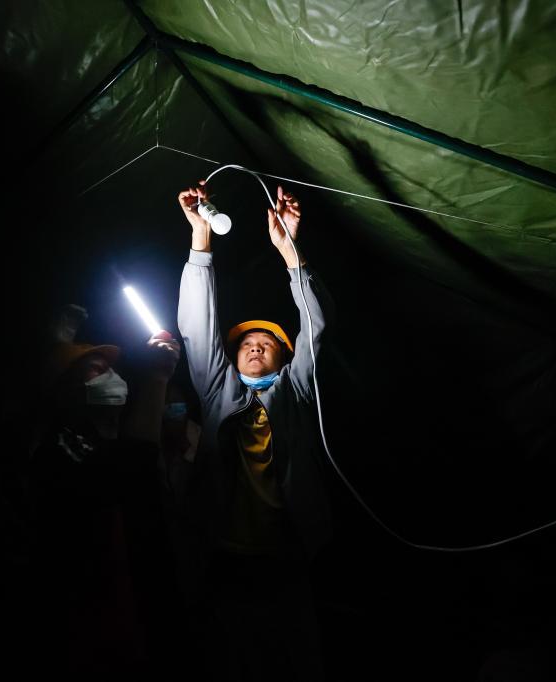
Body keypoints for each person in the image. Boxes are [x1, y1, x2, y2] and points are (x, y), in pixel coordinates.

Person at [176, 181, 333, 681]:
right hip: (223, 551)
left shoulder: (296, 390)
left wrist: (290, 251)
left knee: (296, 657)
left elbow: (316, 327)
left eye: (268, 342)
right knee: (230, 657)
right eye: (246, 343)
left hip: (288, 552)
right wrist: (201, 238)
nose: (256, 346)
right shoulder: (217, 389)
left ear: (284, 357)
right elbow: (196, 328)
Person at [26, 329, 182, 676]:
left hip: (142, 616)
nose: (111, 376)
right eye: (97, 369)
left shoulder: (114, 439)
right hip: (90, 628)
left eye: (112, 369)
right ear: (67, 390)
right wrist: (157, 376)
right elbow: (129, 470)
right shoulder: (58, 449)